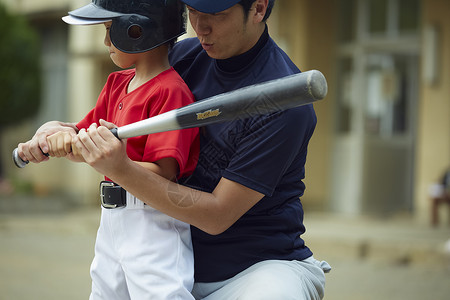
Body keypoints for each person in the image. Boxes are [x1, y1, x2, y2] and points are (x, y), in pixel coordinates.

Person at [17, 0, 331, 299]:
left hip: (256, 269)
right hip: (167, 255)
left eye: (216, 14)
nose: (201, 27)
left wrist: (120, 168)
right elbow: (116, 122)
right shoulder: (182, 56)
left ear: (258, 8)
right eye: (193, 11)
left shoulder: (284, 105)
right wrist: (63, 132)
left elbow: (217, 215)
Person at [19, 1, 199, 299]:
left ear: (136, 29)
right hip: (113, 219)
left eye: (108, 30)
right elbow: (87, 143)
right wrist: (54, 140)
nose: (105, 42)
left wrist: (115, 163)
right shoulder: (117, 83)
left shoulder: (170, 91)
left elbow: (165, 172)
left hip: (152, 220)